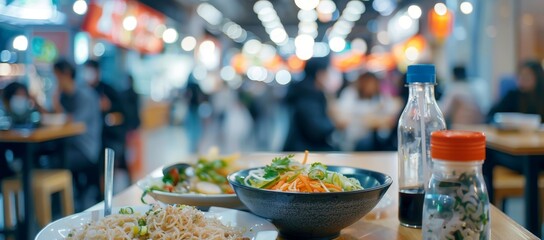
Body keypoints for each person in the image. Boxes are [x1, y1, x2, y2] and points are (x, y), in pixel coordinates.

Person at [53, 59, 102, 209]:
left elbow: (73, 123)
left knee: (55, 163)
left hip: (86, 148)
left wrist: (55, 102)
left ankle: (64, 206)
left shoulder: (85, 95)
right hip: (70, 145)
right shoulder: (65, 95)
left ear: (66, 75)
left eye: (56, 76)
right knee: (48, 159)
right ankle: (61, 204)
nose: (56, 80)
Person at [283, 56, 345, 151]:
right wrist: (335, 124)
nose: (329, 76)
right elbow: (316, 130)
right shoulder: (307, 95)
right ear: (319, 74)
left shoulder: (307, 91)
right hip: (304, 151)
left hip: (305, 148)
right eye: (327, 72)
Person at [337, 72, 400, 151]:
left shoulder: (379, 96)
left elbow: (391, 111)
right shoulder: (350, 94)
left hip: (377, 135)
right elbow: (343, 118)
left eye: (373, 84)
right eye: (368, 83)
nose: (371, 86)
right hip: (354, 139)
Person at [83, 60, 128, 171]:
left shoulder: (108, 90)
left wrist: (109, 110)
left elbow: (123, 115)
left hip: (108, 137)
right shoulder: (82, 91)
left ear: (98, 72)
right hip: (86, 136)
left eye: (91, 70)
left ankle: (101, 185)